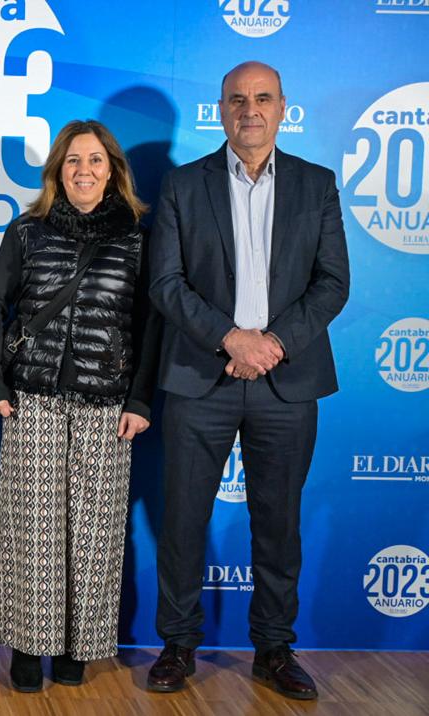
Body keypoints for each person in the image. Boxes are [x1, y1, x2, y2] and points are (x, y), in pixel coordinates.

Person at [146, 61, 349, 700]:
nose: (250, 110)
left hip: (287, 379)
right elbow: (165, 283)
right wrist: (231, 339)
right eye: (238, 100)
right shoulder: (182, 184)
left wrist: (274, 343)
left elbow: (333, 283)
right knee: (180, 519)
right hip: (200, 374)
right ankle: (177, 645)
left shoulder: (317, 185)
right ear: (221, 109)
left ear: (283, 108)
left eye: (262, 99)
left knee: (279, 520)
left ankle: (274, 650)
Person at [0, 120, 160, 692]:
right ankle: (30, 647)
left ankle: (80, 645)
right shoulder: (27, 231)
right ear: (57, 170)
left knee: (96, 532)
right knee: (32, 532)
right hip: (34, 401)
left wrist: (141, 398)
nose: (84, 170)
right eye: (73, 160)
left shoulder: (139, 236)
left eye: (96, 160)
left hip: (109, 407)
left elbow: (151, 323)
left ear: (114, 171)